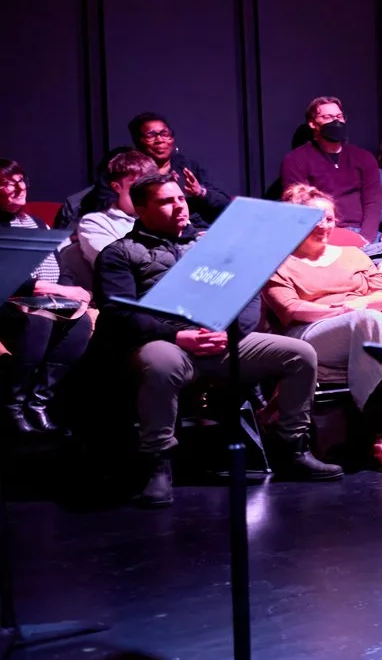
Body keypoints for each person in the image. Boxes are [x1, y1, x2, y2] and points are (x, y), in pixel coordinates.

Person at [95, 172, 342, 506]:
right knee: (161, 364)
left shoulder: (210, 246)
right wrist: (177, 335)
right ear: (140, 209)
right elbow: (119, 312)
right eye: (166, 201)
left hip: (221, 339)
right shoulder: (120, 253)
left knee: (299, 353)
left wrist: (227, 333)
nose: (179, 206)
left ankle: (292, 449)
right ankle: (158, 465)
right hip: (166, 342)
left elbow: (248, 296)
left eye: (181, 198)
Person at [265, 183, 382, 471]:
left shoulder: (353, 254)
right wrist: (343, 311)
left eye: (328, 218)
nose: (324, 225)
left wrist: (358, 306)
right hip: (308, 334)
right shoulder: (279, 262)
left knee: (373, 340)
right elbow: (290, 309)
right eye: (314, 219)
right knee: (368, 322)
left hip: (364, 329)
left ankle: (378, 438)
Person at [1, 158, 91, 435]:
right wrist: (62, 291)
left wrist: (70, 293)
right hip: (10, 301)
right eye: (7, 183)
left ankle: (39, 400)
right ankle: (13, 404)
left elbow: (61, 268)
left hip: (46, 299)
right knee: (39, 318)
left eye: (21, 181)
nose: (19, 188)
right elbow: (11, 279)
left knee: (81, 322)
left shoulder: (37, 224)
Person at [277, 96, 382, 236]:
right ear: (312, 123)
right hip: (322, 231)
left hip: (361, 233)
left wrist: (365, 239)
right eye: (327, 117)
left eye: (339, 116)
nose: (336, 121)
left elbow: (373, 203)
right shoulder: (295, 160)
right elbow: (299, 205)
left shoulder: (364, 158)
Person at [62, 147, 154, 292]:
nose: (145, 192)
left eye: (151, 185)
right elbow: (118, 267)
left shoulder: (170, 214)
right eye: (137, 186)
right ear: (117, 187)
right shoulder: (95, 223)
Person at [129, 111, 230, 220]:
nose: (160, 140)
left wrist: (199, 192)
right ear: (138, 141)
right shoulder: (132, 171)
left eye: (164, 134)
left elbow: (226, 204)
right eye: (151, 135)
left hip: (196, 228)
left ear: (172, 138)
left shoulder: (190, 168)